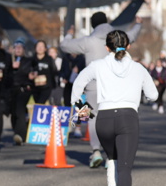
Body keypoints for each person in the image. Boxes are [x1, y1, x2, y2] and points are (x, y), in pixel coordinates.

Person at [71, 30, 158, 186]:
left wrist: (84, 113)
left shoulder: (98, 65)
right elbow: (153, 95)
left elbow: (78, 84)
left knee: (112, 157)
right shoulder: (138, 68)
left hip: (104, 118)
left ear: (106, 48)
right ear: (128, 46)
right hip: (128, 117)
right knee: (125, 166)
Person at [60, 12, 142, 167]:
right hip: (115, 84)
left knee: (94, 118)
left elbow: (64, 46)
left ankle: (96, 151)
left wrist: (69, 34)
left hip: (94, 85)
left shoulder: (88, 41)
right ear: (106, 22)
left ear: (92, 25)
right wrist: (138, 24)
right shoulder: (117, 37)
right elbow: (132, 36)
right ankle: (111, 156)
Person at [8, 39, 34, 146]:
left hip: (24, 89)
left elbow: (29, 72)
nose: (18, 49)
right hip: (12, 90)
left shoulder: (28, 61)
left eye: (20, 47)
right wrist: (11, 67)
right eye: (16, 47)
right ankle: (18, 131)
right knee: (14, 112)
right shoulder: (9, 61)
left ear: (24, 50)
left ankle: (21, 135)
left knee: (19, 110)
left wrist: (20, 68)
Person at [29, 40, 56, 105]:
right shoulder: (31, 59)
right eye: (38, 46)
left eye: (42, 46)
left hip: (46, 87)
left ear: (45, 49)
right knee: (37, 103)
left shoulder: (49, 59)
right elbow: (28, 71)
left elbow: (54, 71)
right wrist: (31, 75)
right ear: (35, 48)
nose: (40, 48)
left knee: (40, 103)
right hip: (35, 87)